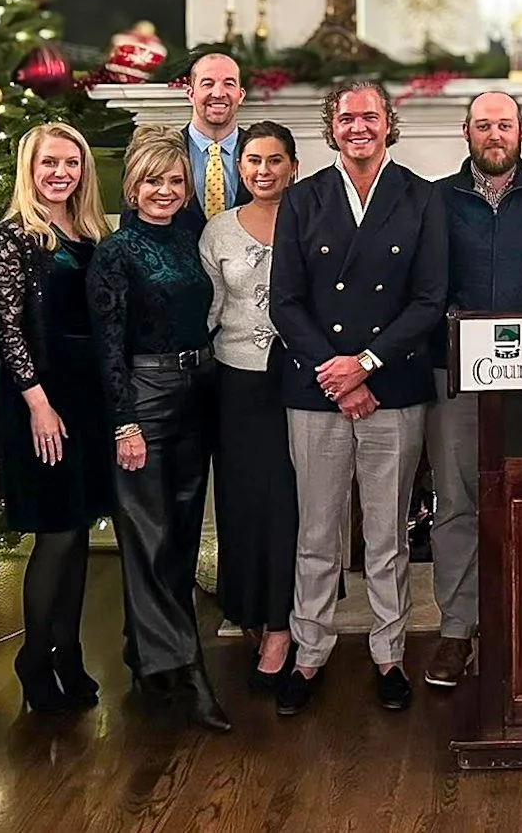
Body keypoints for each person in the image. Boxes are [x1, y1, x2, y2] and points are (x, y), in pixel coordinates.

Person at [270, 79, 448, 716]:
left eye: (369, 116)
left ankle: (389, 653)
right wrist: (335, 373)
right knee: (317, 532)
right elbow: (284, 300)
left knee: (387, 534)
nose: (358, 127)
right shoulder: (303, 199)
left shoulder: (422, 198)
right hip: (317, 391)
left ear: (388, 122)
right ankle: (310, 652)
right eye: (346, 118)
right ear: (331, 127)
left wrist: (365, 364)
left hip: (393, 388)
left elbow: (430, 299)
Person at [88, 125, 229, 732]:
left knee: (178, 534)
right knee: (145, 536)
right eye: (153, 180)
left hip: (198, 392)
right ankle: (188, 672)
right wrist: (124, 423)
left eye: (176, 180)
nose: (165, 190)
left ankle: (148, 655)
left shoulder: (193, 237)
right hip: (142, 399)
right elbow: (108, 347)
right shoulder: (115, 253)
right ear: (133, 184)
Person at [424, 92, 522, 690]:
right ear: (466, 133)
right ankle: (457, 628)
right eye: (483, 126)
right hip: (453, 374)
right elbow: (422, 283)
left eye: (504, 124)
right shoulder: (434, 198)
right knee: (456, 502)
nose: (494, 134)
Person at [0, 122, 113, 714]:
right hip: (42, 401)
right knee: (56, 534)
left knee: (80, 530)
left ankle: (69, 650)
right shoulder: (13, 238)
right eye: (48, 164)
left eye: (71, 163)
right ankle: (33, 659)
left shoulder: (91, 232)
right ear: (28, 170)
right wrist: (38, 403)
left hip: (90, 401)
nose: (61, 173)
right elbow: (6, 328)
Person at [199, 120, 302, 691]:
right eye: (253, 161)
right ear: (240, 168)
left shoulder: (311, 221)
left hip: (300, 380)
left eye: (274, 160)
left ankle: (286, 622)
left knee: (290, 504)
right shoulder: (217, 231)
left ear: (293, 165)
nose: (264, 171)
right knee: (241, 501)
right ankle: (250, 611)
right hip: (236, 384)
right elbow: (209, 309)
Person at [177, 50, 247, 231]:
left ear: (241, 95)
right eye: (207, 84)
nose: (218, 93)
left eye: (229, 84)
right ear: (191, 94)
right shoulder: (163, 150)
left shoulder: (262, 152)